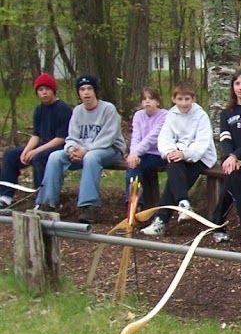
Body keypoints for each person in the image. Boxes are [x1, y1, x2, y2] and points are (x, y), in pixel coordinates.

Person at [35, 75, 125, 223]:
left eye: (89, 88)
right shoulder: (77, 111)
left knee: (91, 157)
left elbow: (108, 137)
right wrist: (71, 148)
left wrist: (85, 150)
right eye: (82, 89)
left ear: (95, 91)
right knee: (55, 157)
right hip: (82, 151)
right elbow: (72, 136)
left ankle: (88, 206)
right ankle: (47, 203)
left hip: (110, 150)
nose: (86, 92)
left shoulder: (108, 109)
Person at [140, 82, 216, 235]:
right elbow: (164, 138)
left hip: (200, 157)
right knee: (173, 165)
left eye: (187, 99)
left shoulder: (201, 116)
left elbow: (202, 142)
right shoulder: (171, 115)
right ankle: (183, 203)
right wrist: (169, 152)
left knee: (173, 183)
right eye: (180, 99)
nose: (183, 103)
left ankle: (161, 220)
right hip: (178, 154)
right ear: (174, 99)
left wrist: (185, 154)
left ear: (193, 99)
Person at [0, 73, 72, 209]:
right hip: (42, 145)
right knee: (10, 154)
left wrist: (36, 151)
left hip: (59, 147)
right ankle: (5, 196)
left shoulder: (63, 109)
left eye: (47, 89)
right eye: (40, 90)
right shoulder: (39, 110)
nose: (44, 93)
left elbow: (61, 138)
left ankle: (42, 199)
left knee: (39, 157)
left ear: (53, 90)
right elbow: (36, 135)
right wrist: (27, 150)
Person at [210, 70, 241, 243]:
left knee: (231, 183)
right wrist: (230, 156)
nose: (240, 87)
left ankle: (218, 223)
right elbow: (225, 138)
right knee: (233, 178)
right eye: (237, 84)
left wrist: (236, 156)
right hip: (231, 160)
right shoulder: (226, 112)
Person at [123, 87, 168, 209]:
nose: (147, 101)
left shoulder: (165, 115)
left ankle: (134, 203)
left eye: (151, 98)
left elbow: (152, 137)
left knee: (136, 164)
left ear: (158, 102)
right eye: (144, 99)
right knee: (133, 165)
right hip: (142, 153)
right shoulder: (138, 115)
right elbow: (136, 136)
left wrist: (135, 153)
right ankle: (133, 204)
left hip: (159, 153)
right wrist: (133, 154)